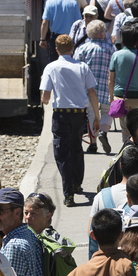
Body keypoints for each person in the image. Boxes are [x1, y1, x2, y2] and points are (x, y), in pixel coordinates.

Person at [41, 34, 102, 206]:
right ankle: (76, 183)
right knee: (77, 148)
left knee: (61, 154)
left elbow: (46, 97)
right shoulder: (82, 67)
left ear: (56, 49)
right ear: (72, 48)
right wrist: (96, 116)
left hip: (61, 114)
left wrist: (44, 100)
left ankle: (68, 193)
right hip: (79, 114)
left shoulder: (51, 67)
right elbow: (92, 93)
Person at [108, 24, 138, 145]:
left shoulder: (116, 55)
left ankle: (127, 150)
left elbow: (111, 79)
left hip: (121, 97)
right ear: (136, 40)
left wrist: (111, 97)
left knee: (125, 128)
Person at [75, 19, 115, 154]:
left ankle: (93, 142)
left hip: (88, 88)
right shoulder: (111, 49)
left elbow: (76, 68)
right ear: (102, 34)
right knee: (107, 112)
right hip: (107, 86)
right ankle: (103, 131)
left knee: (92, 114)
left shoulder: (83, 49)